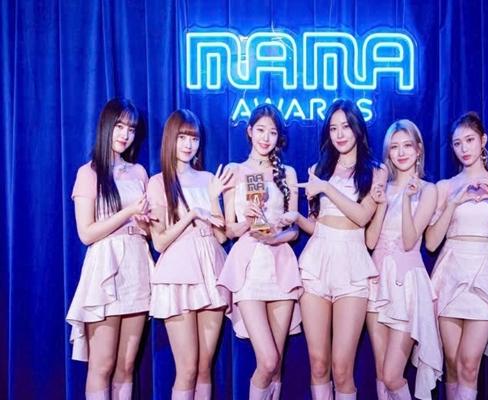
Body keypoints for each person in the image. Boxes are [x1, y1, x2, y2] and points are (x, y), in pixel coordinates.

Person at [283, 99, 386, 399]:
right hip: (317, 261)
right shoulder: (318, 169)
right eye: (333, 128)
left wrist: (327, 188)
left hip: (352, 264)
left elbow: (362, 217)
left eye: (346, 127)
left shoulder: (375, 171)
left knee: (342, 368)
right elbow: (318, 224)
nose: (340, 134)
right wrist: (296, 217)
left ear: (357, 129)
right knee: (318, 364)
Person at [425, 112, 488, 400]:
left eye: (469, 140)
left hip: (483, 275)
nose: (464, 148)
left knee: (469, 364)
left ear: (483, 140)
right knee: (452, 364)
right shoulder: (444, 187)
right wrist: (454, 202)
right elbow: (431, 243)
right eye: (457, 143)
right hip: (449, 274)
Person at [66, 98, 152, 400]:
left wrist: (144, 223)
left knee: (126, 367)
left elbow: (147, 230)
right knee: (102, 365)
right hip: (105, 267)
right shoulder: (88, 172)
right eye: (119, 126)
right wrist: (128, 213)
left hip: (137, 265)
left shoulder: (139, 172)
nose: (125, 134)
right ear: (106, 126)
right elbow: (86, 233)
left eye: (131, 128)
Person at [218, 104, 302, 400]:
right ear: (249, 131)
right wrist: (248, 222)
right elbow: (229, 230)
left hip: (281, 263)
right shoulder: (235, 170)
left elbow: (294, 229)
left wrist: (278, 235)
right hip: (249, 266)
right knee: (267, 360)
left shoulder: (287, 173)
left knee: (276, 365)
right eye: (261, 130)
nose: (266, 138)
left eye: (273, 132)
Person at [146, 109, 232, 400]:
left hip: (211, 268)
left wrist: (213, 199)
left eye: (193, 138)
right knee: (187, 369)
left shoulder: (208, 178)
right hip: (178, 273)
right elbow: (159, 242)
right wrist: (192, 215)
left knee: (205, 367)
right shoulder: (158, 182)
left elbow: (222, 236)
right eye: (182, 137)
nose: (188, 144)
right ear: (170, 139)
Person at [365, 119, 443, 400]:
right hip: (376, 280)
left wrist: (408, 201)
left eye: (407, 146)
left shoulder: (428, 190)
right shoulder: (380, 188)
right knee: (380, 372)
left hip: (407, 284)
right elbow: (370, 241)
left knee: (392, 375)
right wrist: (380, 203)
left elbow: (410, 241)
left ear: (418, 149)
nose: (401, 153)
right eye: (394, 147)